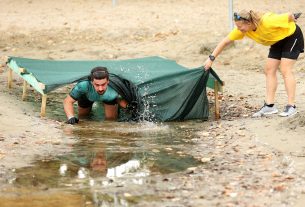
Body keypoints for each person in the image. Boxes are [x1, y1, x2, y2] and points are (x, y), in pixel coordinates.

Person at [204, 10, 304, 117]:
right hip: (276, 40)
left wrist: (293, 17)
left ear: (249, 23)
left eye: (240, 27)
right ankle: (269, 106)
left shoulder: (267, 21)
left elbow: (288, 15)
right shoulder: (243, 30)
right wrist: (211, 59)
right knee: (269, 70)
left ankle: (291, 106)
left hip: (292, 36)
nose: (238, 29)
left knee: (285, 69)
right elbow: (225, 42)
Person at [63, 66, 129, 124]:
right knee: (83, 118)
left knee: (111, 121)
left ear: (108, 81)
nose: (100, 89)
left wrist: (129, 107)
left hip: (109, 98)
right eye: (97, 85)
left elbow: (121, 100)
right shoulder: (83, 86)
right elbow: (67, 101)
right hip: (86, 97)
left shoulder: (115, 88)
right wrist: (71, 117)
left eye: (103, 84)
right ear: (91, 82)